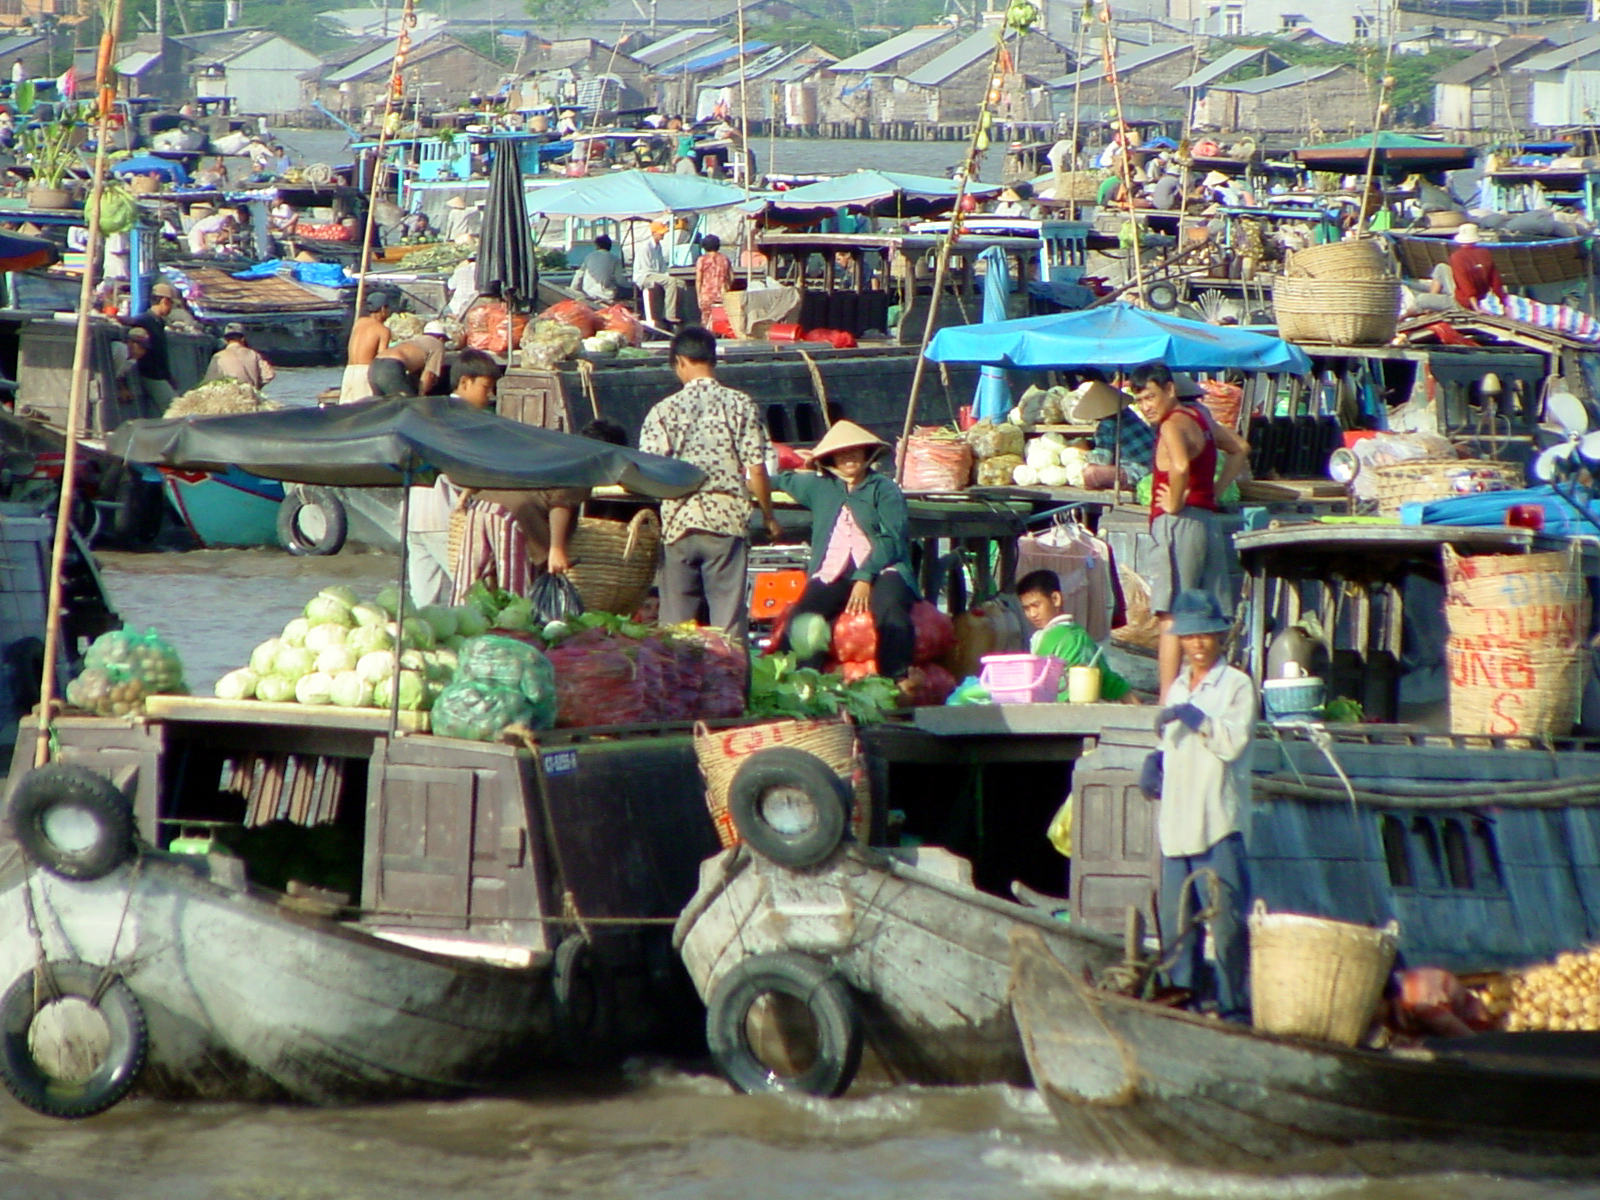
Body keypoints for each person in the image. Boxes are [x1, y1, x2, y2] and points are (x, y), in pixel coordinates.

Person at [639, 325, 779, 640]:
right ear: (712, 360)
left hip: (679, 525)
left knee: (675, 630)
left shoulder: (662, 411)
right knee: (727, 626)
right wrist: (769, 517)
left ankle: (676, 687)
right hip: (727, 524)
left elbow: (649, 472)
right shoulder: (741, 404)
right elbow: (756, 469)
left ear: (680, 362)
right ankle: (730, 686)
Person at [1155, 589, 1254, 1020]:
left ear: (1219, 636)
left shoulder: (1236, 685)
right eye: (1189, 637)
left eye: (1204, 637)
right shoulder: (1176, 686)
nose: (1197, 645)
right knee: (1177, 931)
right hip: (1176, 830)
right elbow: (1168, 747)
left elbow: (1232, 744)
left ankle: (1235, 1011)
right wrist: (1153, 764)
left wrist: (1197, 719)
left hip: (1217, 826)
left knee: (1228, 926)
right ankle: (1184, 1008)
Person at [1131, 361, 1249, 698]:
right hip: (1206, 523)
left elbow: (1180, 465)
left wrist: (1173, 504)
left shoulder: (1171, 424)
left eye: (1151, 397)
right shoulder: (1202, 418)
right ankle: (1208, 694)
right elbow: (1240, 449)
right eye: (1140, 401)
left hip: (1178, 525)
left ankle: (1168, 702)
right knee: (1205, 617)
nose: (1147, 407)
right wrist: (1213, 490)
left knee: (1171, 617)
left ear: (1170, 390)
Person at [774, 420, 921, 689]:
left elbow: (892, 540)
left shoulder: (884, 489)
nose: (848, 459)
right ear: (831, 460)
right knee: (805, 615)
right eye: (841, 454)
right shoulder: (819, 486)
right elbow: (780, 480)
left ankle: (896, 679)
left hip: (884, 567)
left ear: (867, 454)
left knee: (890, 610)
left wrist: (865, 578)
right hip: (834, 569)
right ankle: (802, 680)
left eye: (854, 452)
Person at [407, 350, 502, 606]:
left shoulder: (433, 412)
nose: (489, 395)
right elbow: (459, 471)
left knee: (424, 603)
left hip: (414, 516)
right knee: (471, 594)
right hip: (443, 517)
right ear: (464, 382)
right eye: (485, 387)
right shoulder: (460, 419)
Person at [1016, 569, 1132, 702]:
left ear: (1055, 599)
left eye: (1036, 605)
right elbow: (1107, 679)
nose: (1032, 614)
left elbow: (1036, 680)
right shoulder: (1081, 635)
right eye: (1026, 608)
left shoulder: (1051, 637)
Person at [118, 281, 181, 411]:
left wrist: (168, 376)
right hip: (150, 376)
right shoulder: (144, 321)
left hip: (159, 375)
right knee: (175, 409)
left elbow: (161, 354)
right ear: (164, 301)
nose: (171, 308)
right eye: (171, 304)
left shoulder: (158, 323)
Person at [369, 319, 448, 398]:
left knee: (381, 405)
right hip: (391, 366)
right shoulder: (438, 344)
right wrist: (421, 396)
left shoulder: (416, 340)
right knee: (408, 405)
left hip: (375, 365)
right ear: (441, 338)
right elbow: (429, 374)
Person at [342, 292, 393, 403]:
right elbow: (382, 359)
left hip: (349, 371)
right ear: (383, 308)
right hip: (365, 371)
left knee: (345, 410)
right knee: (365, 409)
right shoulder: (383, 330)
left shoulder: (358, 323)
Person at [1448, 224, 1507, 312]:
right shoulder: (1485, 253)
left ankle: (1426, 313)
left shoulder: (1457, 257)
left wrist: (1476, 308)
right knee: (1441, 268)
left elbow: (1465, 283)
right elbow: (1496, 281)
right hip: (1482, 296)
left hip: (1464, 302)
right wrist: (1503, 302)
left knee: (1423, 299)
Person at [203, 322, 276, 389]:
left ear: (225, 340)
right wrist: (256, 387)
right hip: (252, 397)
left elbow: (209, 382)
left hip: (232, 398)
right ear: (243, 339)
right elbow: (269, 375)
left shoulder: (218, 357)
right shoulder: (253, 354)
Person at [633, 220, 674, 327]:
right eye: (661, 232)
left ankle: (678, 312)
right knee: (671, 281)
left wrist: (666, 274)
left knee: (679, 283)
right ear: (654, 233)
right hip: (645, 276)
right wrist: (664, 277)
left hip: (655, 274)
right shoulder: (645, 247)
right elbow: (646, 270)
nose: (663, 234)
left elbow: (662, 267)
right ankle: (669, 315)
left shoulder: (658, 247)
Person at [694, 233, 733, 329]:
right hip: (722, 294)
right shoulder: (724, 259)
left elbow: (699, 279)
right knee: (721, 321)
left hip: (707, 295)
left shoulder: (702, 260)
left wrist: (699, 296)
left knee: (706, 322)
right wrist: (727, 286)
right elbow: (731, 276)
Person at [573, 233, 620, 303]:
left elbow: (579, 274)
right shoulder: (615, 259)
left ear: (597, 246)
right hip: (605, 295)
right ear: (610, 246)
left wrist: (573, 290)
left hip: (588, 292)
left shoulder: (589, 256)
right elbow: (620, 280)